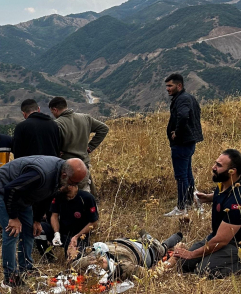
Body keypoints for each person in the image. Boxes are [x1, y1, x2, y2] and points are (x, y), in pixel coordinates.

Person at [0, 156, 88, 291]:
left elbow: (46, 196)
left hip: (23, 195)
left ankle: (26, 269)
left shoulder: (59, 176)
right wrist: (13, 217)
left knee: (29, 231)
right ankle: (10, 278)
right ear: (65, 175)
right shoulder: (40, 174)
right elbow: (11, 189)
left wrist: (36, 220)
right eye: (73, 182)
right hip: (2, 189)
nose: (73, 186)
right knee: (12, 232)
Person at [173, 149, 241, 277]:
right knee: (184, 264)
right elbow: (223, 196)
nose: (213, 168)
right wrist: (209, 197)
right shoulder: (225, 183)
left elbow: (221, 240)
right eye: (216, 163)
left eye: (219, 166)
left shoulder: (237, 202)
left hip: (235, 245)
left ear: (233, 171)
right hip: (217, 236)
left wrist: (192, 254)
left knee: (204, 270)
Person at [49, 96, 109, 195]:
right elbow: (104, 128)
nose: (53, 115)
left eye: (52, 112)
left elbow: (53, 144)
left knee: (67, 196)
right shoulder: (85, 118)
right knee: (85, 195)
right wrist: (91, 146)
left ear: (55, 109)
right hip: (84, 165)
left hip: (67, 167)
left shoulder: (57, 124)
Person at [164, 73, 204, 217]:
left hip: (182, 143)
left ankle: (181, 208)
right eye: (167, 86)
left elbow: (183, 116)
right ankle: (189, 202)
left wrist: (177, 133)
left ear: (179, 86)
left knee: (181, 176)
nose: (167, 89)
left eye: (170, 86)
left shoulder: (182, 99)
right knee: (187, 173)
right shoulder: (188, 98)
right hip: (189, 142)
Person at [74, 232, 184, 281]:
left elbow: (72, 265)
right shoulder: (124, 267)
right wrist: (174, 257)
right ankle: (178, 236)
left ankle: (145, 235)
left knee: (144, 235)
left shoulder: (88, 260)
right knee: (160, 248)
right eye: (100, 264)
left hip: (126, 241)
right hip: (148, 250)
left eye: (94, 259)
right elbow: (153, 274)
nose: (97, 259)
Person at [35, 184, 99, 259]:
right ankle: (48, 258)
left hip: (79, 235)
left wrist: (77, 236)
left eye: (62, 186)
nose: (60, 188)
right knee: (38, 228)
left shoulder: (86, 198)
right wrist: (56, 233)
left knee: (73, 259)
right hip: (62, 231)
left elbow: (94, 222)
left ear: (70, 186)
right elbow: (54, 215)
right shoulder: (59, 195)